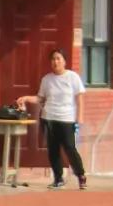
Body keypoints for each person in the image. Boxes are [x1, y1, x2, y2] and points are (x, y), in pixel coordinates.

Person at [17, 49, 88, 190]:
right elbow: (40, 98)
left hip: (67, 119)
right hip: (48, 118)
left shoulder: (72, 77)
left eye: (58, 59)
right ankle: (58, 178)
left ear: (64, 61)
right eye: (53, 59)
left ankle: (81, 175)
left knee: (70, 148)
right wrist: (26, 98)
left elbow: (80, 99)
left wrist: (79, 119)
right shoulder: (47, 79)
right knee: (53, 150)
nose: (55, 62)